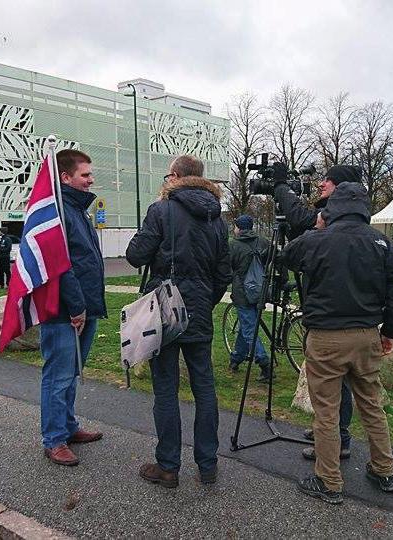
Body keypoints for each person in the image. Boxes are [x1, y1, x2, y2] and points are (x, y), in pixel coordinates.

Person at [281, 182, 393, 504]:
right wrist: (390, 332)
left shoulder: (317, 240)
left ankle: (329, 480)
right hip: (367, 333)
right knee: (372, 404)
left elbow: (286, 256)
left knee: (326, 411)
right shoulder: (385, 244)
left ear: (332, 208)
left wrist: (318, 227)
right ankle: (384, 469)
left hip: (325, 337)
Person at [126, 155, 232, 488]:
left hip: (164, 309)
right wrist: (203, 301)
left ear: (174, 176)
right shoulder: (217, 217)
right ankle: (208, 464)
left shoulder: (161, 210)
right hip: (199, 309)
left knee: (166, 389)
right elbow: (223, 273)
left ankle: (169, 465)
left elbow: (135, 255)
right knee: (205, 388)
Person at [274, 164, 362, 460]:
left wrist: (282, 189)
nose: (322, 184)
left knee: (335, 383)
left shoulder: (335, 218)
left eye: (328, 180)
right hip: (332, 310)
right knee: (330, 382)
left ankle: (337, 442)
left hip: (332, 315)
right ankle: (330, 431)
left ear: (342, 188)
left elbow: (300, 220)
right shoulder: (353, 217)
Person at [40, 149, 106, 466]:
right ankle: (53, 439)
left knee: (72, 373)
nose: (91, 180)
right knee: (58, 377)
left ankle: (68, 427)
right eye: (85, 175)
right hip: (64, 311)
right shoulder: (58, 212)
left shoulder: (77, 210)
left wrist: (87, 307)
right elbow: (60, 266)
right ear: (65, 177)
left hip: (84, 308)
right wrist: (77, 307)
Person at [228, 214, 272, 382]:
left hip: (242, 293)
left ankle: (264, 363)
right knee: (246, 325)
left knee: (248, 329)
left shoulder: (233, 245)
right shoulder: (263, 241)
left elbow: (227, 268)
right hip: (260, 291)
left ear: (239, 228)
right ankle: (236, 359)